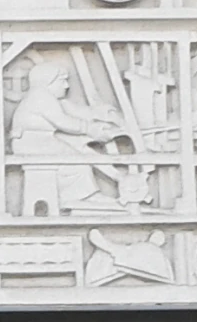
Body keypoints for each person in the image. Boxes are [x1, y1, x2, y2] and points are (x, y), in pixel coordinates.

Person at [10, 58, 123, 216]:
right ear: (48, 81)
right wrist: (89, 129)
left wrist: (99, 114)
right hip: (33, 144)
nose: (67, 86)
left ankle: (93, 191)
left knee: (81, 150)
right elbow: (63, 122)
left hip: (42, 141)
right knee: (76, 161)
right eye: (62, 81)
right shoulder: (41, 97)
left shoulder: (49, 98)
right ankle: (81, 197)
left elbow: (74, 111)